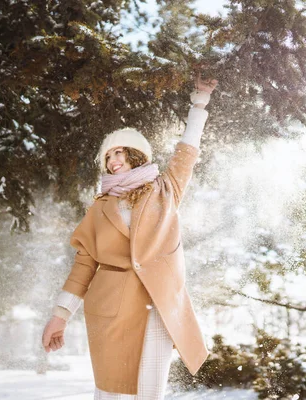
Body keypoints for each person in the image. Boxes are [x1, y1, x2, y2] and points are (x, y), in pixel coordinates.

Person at [41, 73, 219, 399]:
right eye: (108, 156)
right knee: (111, 393)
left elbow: (187, 151)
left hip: (159, 303)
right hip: (110, 308)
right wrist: (59, 316)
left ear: (137, 155)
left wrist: (200, 102)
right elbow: (83, 266)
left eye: (120, 152)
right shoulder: (99, 208)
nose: (113, 160)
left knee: (149, 393)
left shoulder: (165, 190)